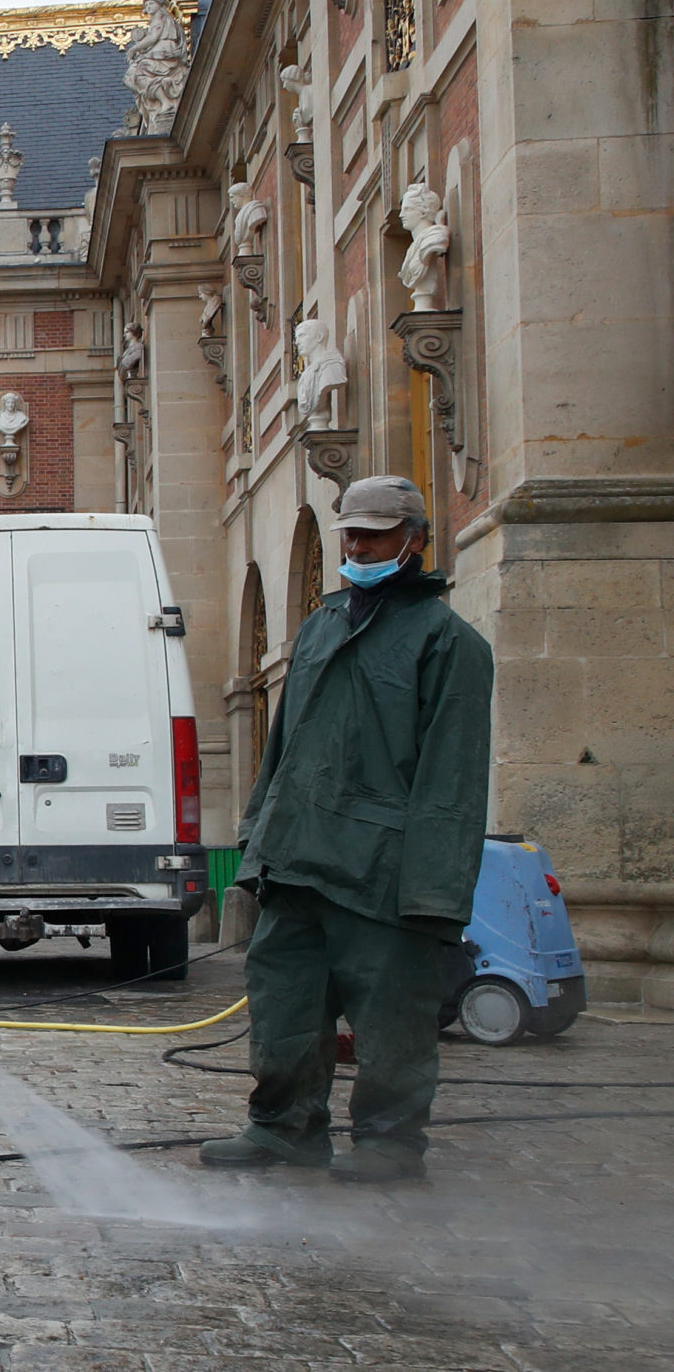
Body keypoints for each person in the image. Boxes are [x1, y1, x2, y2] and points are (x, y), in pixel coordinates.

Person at [202, 475, 493, 1183]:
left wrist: (435, 894)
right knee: (284, 1000)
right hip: (297, 859)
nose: (358, 545)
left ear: (415, 540)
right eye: (351, 534)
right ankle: (285, 1127)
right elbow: (282, 746)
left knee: (392, 1014)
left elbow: (452, 781)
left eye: (375, 534)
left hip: (383, 871)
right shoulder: (321, 627)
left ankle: (391, 1138)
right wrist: (258, 837)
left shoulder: (449, 643)